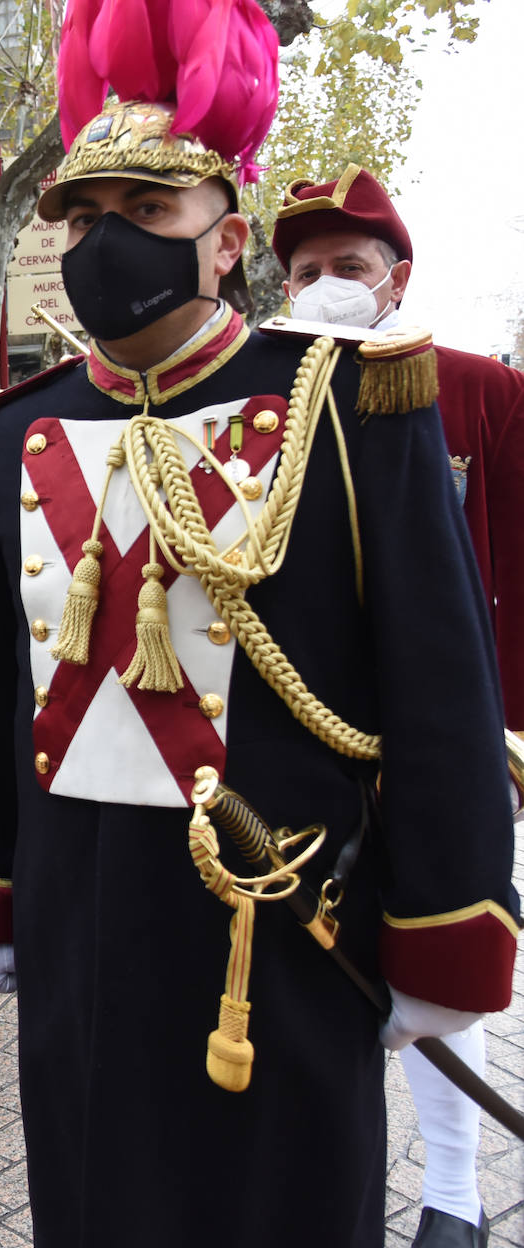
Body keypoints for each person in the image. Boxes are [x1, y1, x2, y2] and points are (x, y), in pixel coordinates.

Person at [0, 5, 519, 1247]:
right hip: (80, 933)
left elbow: (440, 689)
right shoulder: (8, 433)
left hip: (275, 934)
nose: (105, 244)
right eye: (85, 219)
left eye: (146, 214)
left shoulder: (354, 405)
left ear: (225, 242)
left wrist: (444, 934)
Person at [271, 166, 524, 1248]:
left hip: (447, 739)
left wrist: (503, 732)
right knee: (317, 979)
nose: (324, 284)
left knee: (446, 963)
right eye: (305, 270)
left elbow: (513, 559)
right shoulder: (254, 396)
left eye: (349, 269)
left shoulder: (477, 389)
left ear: (397, 280)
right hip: (309, 741)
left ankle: (455, 1194)